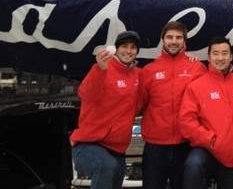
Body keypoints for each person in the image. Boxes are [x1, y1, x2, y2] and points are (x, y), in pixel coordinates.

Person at [178, 36, 233, 189]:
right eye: (215, 53)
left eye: (224, 53)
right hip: (208, 150)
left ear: (231, 56)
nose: (220, 58)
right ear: (208, 57)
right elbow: (186, 122)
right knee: (193, 164)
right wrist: (211, 140)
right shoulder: (196, 86)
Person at [70, 30, 142, 189]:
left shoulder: (139, 75)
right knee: (106, 165)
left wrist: (189, 60)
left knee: (114, 174)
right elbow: (86, 94)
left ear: (137, 52)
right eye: (124, 46)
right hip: (89, 145)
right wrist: (100, 69)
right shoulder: (103, 68)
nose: (128, 51)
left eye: (133, 47)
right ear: (116, 49)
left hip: (117, 150)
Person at [139, 21, 207, 189]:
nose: (174, 41)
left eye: (178, 37)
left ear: (185, 41)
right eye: (169, 37)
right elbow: (138, 104)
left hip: (185, 145)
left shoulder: (197, 68)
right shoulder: (149, 71)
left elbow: (214, 88)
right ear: (162, 40)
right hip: (155, 148)